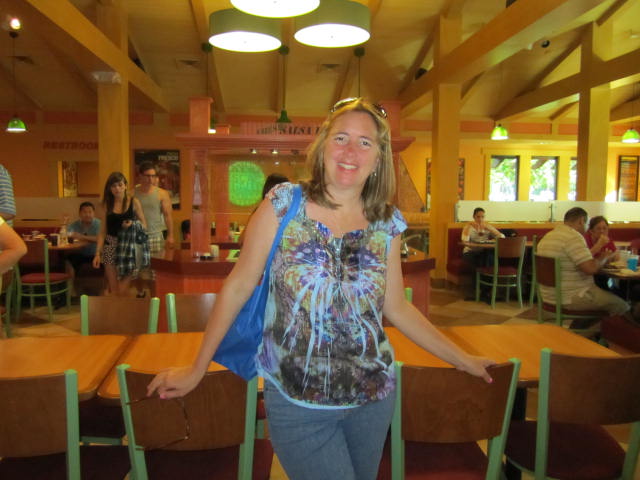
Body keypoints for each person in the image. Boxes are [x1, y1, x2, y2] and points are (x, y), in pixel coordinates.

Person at [147, 98, 494, 480]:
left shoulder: (387, 222)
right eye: (341, 137)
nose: (350, 151)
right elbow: (238, 286)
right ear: (323, 146)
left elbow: (397, 307)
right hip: (299, 401)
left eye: (365, 142)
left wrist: (463, 359)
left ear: (378, 158)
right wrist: (198, 368)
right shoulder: (284, 205)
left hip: (373, 397)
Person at [537, 207, 629, 316]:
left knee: (607, 297)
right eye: (587, 224)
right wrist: (604, 257)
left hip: (548, 296)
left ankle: (586, 328)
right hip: (572, 296)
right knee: (623, 306)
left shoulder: (548, 236)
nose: (587, 228)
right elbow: (591, 269)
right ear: (581, 221)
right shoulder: (573, 237)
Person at [93, 172, 148, 296]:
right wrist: (97, 253)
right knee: (114, 289)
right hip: (110, 245)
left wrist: (132, 224)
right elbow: (102, 232)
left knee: (123, 288)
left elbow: (144, 225)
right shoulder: (106, 204)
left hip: (128, 247)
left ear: (125, 186)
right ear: (109, 188)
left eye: (120, 185)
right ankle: (117, 308)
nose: (117, 188)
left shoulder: (134, 202)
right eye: (113, 186)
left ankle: (124, 307)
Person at [134, 161, 174, 297]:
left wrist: (171, 235)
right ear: (140, 176)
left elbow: (168, 216)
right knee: (137, 270)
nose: (150, 179)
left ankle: (154, 297)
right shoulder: (132, 193)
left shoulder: (162, 194)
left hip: (156, 236)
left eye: (153, 176)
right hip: (137, 237)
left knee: (154, 272)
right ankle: (140, 292)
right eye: (147, 176)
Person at [461, 207, 505, 299]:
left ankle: (487, 290)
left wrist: (490, 229)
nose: (480, 219)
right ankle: (478, 290)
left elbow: (502, 237)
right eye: (478, 217)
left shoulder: (487, 226)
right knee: (478, 261)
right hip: (470, 251)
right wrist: (468, 227)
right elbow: (465, 240)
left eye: (482, 217)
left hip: (484, 252)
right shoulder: (468, 226)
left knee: (491, 260)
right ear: (474, 217)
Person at [65, 202, 101, 294]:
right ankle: (70, 290)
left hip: (96, 254)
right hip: (79, 253)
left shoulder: (99, 224)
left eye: (90, 212)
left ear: (94, 213)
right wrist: (66, 227)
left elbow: (100, 238)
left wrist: (81, 237)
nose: (87, 214)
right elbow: (67, 234)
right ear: (80, 214)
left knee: (108, 260)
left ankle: (105, 290)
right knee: (68, 261)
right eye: (85, 212)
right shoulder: (75, 225)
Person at [584, 216, 620, 291]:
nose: (602, 231)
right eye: (598, 228)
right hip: (589, 276)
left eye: (605, 228)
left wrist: (612, 257)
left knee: (620, 285)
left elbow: (617, 258)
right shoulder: (585, 240)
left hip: (605, 274)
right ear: (591, 231)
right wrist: (599, 245)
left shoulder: (608, 241)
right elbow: (584, 258)